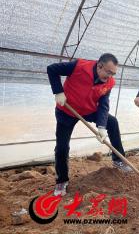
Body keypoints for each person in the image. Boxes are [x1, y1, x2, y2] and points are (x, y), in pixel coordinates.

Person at [47, 53, 132, 196]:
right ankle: (62, 181)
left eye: (113, 74)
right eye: (108, 72)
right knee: (62, 147)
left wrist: (101, 126)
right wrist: (58, 91)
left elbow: (103, 105)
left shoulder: (109, 83)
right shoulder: (79, 66)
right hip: (67, 109)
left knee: (112, 122)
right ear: (99, 65)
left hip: (88, 110)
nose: (110, 76)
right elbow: (52, 69)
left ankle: (119, 160)